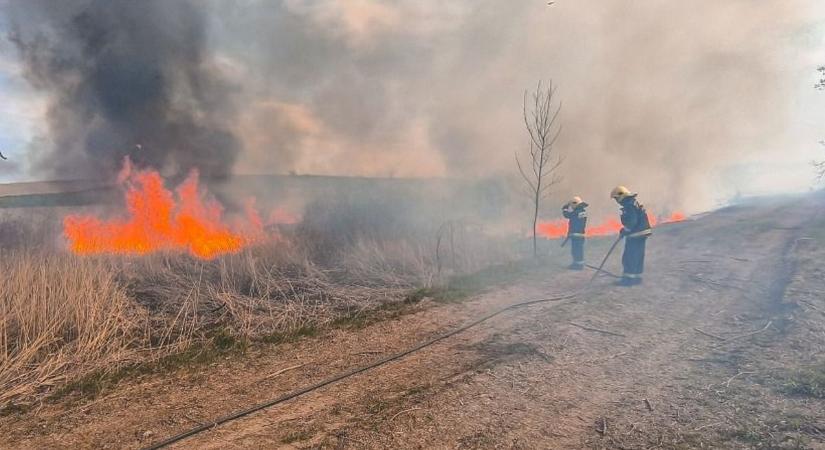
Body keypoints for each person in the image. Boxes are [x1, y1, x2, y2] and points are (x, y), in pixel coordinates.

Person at [610, 186, 652, 285]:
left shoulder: (629, 205)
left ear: (621, 196)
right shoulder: (633, 203)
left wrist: (626, 230)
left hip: (636, 233)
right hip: (642, 232)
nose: (616, 201)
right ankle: (636, 278)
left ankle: (628, 279)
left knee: (629, 256)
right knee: (637, 255)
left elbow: (632, 221)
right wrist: (625, 229)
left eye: (616, 198)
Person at [561, 196, 588, 270]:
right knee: (578, 250)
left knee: (576, 250)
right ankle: (578, 264)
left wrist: (565, 209)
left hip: (576, 235)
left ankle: (578, 265)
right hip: (580, 235)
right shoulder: (582, 211)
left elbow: (567, 215)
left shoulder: (577, 212)